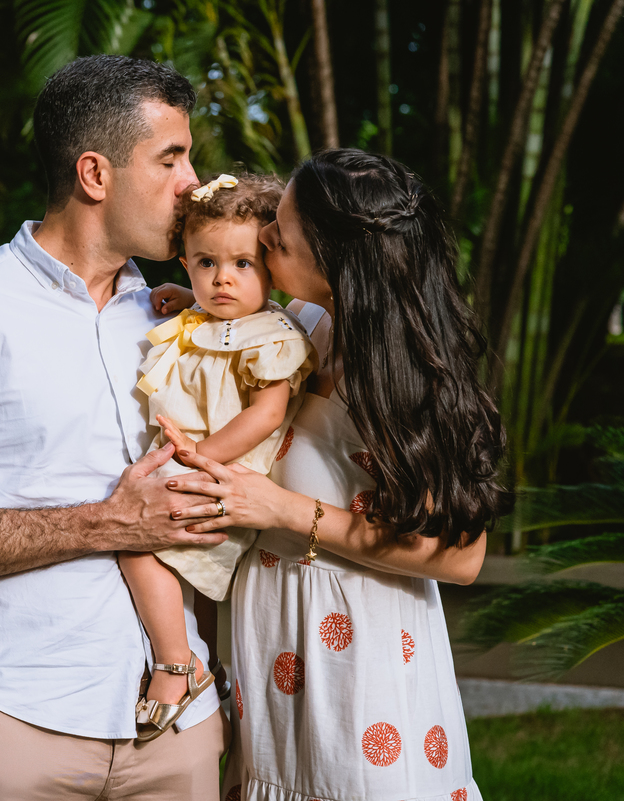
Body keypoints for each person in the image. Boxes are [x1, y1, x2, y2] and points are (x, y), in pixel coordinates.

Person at [0, 55, 231, 800]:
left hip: (180, 732)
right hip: (15, 727)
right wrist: (107, 522)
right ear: (94, 174)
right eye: (171, 158)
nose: (193, 181)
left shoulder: (182, 317)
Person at [159, 149, 507, 800]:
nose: (262, 238)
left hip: (361, 661)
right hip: (274, 643)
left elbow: (461, 556)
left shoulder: (402, 377)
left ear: (335, 264)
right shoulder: (307, 327)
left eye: (279, 237)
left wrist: (283, 510)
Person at [119, 172, 316, 741]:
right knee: (192, 583)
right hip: (196, 462)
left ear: (270, 267)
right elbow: (211, 325)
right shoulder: (211, 320)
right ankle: (209, 665)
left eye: (242, 265)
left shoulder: (272, 336)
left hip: (223, 471)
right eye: (206, 265)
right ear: (185, 265)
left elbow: (266, 415)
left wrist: (198, 457)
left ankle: (175, 666)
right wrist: (192, 303)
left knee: (134, 543)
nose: (222, 278)